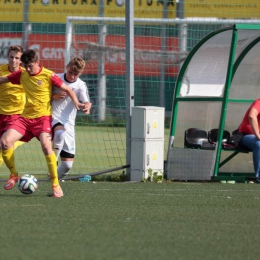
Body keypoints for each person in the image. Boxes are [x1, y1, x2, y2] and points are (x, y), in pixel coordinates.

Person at [0, 49, 86, 198]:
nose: (27, 69)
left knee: (47, 147)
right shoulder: (22, 74)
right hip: (25, 118)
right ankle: (14, 175)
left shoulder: (48, 75)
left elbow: (68, 89)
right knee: (4, 142)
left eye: (30, 66)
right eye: (25, 66)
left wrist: (78, 102)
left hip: (42, 119)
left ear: (37, 63)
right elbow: (3, 80)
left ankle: (55, 185)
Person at [51, 57, 91, 180]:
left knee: (67, 166)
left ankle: (52, 180)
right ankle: (52, 164)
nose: (73, 76)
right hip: (53, 117)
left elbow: (86, 101)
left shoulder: (80, 85)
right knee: (59, 133)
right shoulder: (56, 78)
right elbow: (43, 96)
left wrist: (87, 107)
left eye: (76, 74)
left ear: (80, 73)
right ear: (67, 67)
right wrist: (55, 95)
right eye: (71, 73)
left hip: (69, 123)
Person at [0, 45, 25, 167]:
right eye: (11, 57)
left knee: (4, 144)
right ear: (7, 57)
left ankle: (13, 174)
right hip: (1, 114)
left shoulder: (25, 74)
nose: (13, 60)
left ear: (21, 60)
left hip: (16, 115)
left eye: (17, 58)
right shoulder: (1, 70)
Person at [238, 99, 260, 183]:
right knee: (259, 143)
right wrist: (258, 136)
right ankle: (258, 176)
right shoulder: (259, 102)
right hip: (245, 135)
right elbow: (252, 116)